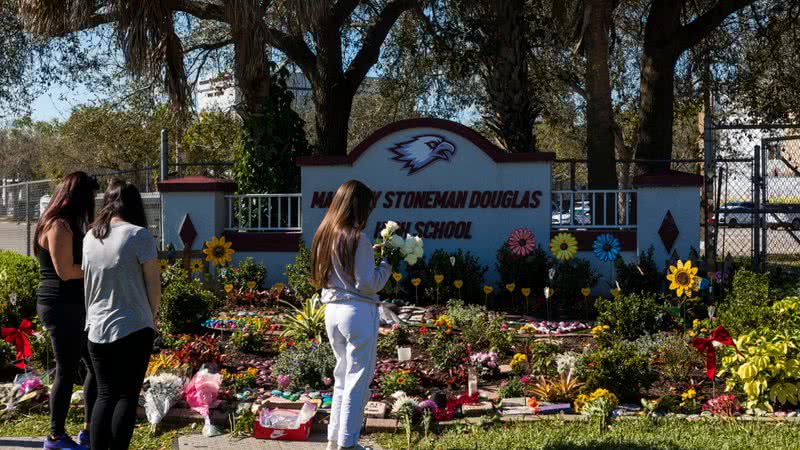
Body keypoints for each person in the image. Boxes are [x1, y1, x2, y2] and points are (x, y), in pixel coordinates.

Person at [310, 180, 392, 450]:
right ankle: (348, 443)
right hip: (356, 312)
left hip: (331, 311)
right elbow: (367, 283)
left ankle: (335, 438)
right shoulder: (357, 238)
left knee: (342, 376)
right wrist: (387, 265)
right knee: (359, 378)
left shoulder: (325, 233)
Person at [82, 179, 160, 450]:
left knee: (105, 394)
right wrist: (153, 317)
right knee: (127, 395)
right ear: (135, 205)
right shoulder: (139, 235)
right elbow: (154, 287)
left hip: (96, 328)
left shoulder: (90, 237)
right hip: (133, 327)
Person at [34, 171, 99, 450]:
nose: (92, 203)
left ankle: (88, 430)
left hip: (74, 305)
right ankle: (56, 436)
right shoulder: (58, 225)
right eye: (90, 197)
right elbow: (65, 271)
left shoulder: (69, 223)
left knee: (94, 366)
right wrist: (100, 270)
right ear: (77, 197)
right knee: (66, 368)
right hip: (61, 305)